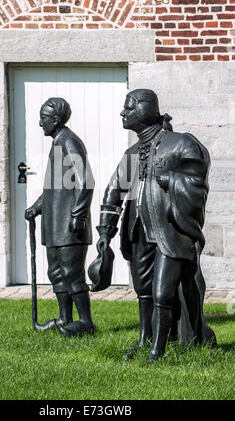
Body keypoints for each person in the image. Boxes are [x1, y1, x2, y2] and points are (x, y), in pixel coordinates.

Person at [95, 89, 216, 363]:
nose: (122, 113)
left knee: (163, 293)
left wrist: (170, 180)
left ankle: (158, 351)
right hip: (137, 231)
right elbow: (113, 192)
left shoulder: (180, 144)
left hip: (168, 231)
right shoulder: (132, 153)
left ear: (145, 110)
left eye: (128, 108)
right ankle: (144, 339)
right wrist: (104, 233)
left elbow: (197, 181)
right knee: (144, 292)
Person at [25, 97, 96, 337]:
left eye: (43, 119)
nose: (39, 123)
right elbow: (53, 188)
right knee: (55, 273)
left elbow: (86, 181)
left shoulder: (69, 142)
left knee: (72, 274)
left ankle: (86, 322)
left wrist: (78, 214)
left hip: (69, 227)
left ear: (55, 120)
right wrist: (36, 207)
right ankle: (66, 319)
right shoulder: (58, 143)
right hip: (54, 226)